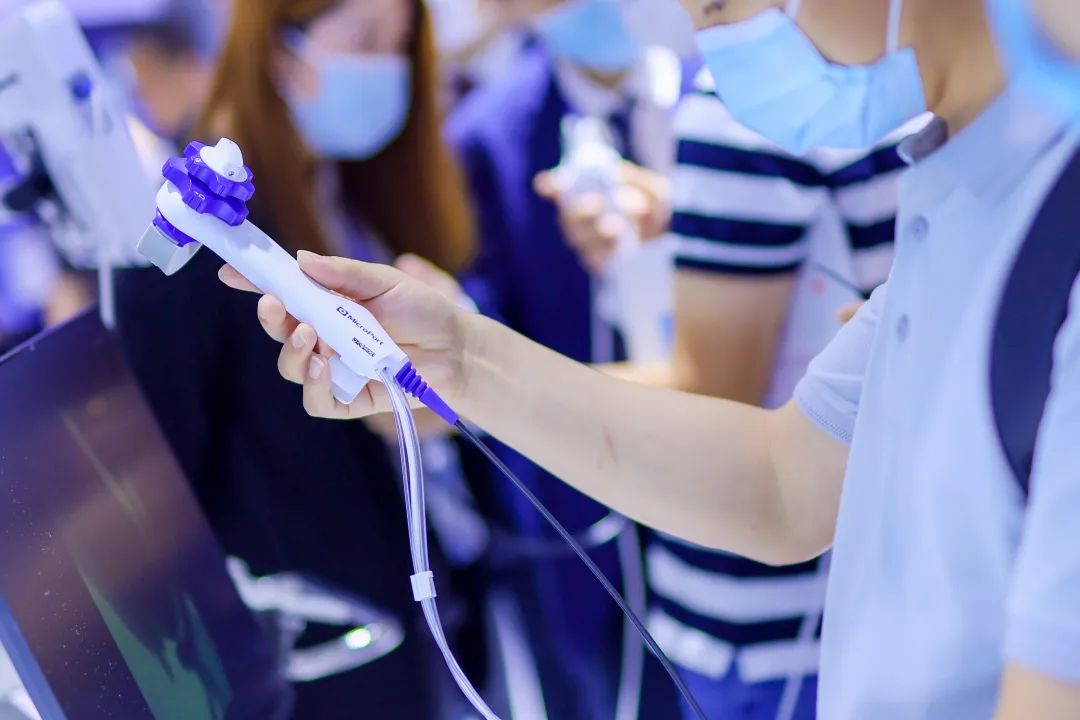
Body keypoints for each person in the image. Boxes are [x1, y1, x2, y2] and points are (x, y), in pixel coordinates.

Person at [226, 0, 1080, 717]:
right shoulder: (960, 196)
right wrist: (462, 359)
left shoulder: (1048, 226)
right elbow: (782, 479)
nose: (718, 31)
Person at [115, 0, 475, 717]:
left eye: (401, 44)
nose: (389, 68)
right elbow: (159, 485)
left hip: (436, 600)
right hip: (324, 651)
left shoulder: (356, 188)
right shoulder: (202, 242)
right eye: (365, 40)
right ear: (282, 50)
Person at [555, 67, 911, 718]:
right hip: (884, 595)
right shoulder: (903, 74)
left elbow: (709, 398)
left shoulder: (751, 99)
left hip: (769, 618)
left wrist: (471, 372)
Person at [446, 1, 685, 715]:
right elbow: (488, 329)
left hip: (736, 491)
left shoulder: (721, 87)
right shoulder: (488, 139)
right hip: (586, 521)